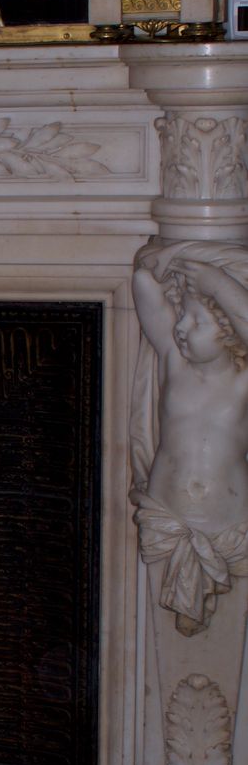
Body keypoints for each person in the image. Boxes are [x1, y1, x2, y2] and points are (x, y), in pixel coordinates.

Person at [131, 241, 248, 636]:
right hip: (166, 517)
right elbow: (143, 281)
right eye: (182, 316)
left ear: (229, 332)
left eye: (197, 322)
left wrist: (218, 284)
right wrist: (173, 256)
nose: (181, 328)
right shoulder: (172, 361)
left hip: (228, 524)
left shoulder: (242, 382)